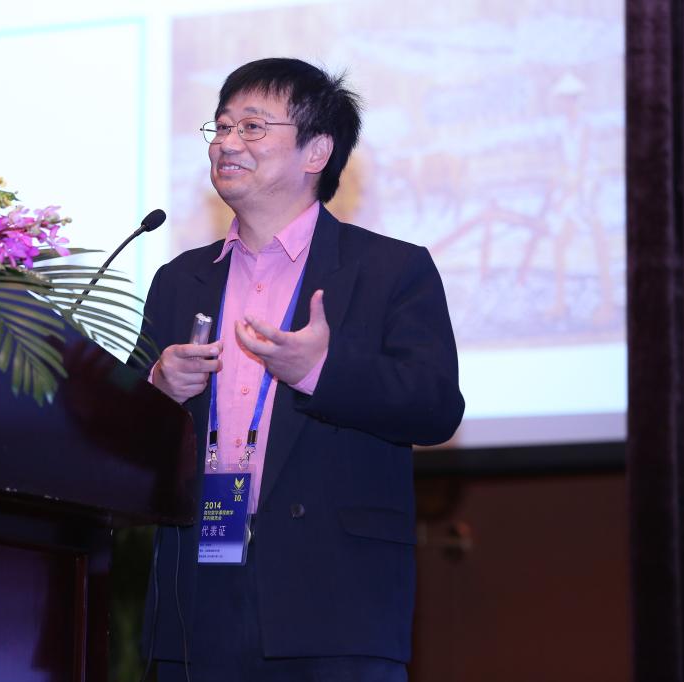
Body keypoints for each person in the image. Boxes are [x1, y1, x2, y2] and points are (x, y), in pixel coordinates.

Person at [136, 57, 465, 682]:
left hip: (335, 602)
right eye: (221, 127)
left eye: (253, 127)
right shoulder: (179, 279)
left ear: (317, 150)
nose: (228, 143)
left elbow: (435, 406)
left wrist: (321, 371)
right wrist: (157, 388)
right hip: (196, 600)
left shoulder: (392, 270)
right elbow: (125, 440)